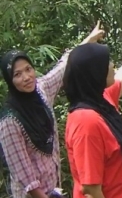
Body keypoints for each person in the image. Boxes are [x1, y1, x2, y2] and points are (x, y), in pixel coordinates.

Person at [0, 22, 105, 198]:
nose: (26, 77)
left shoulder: (40, 91)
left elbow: (64, 66)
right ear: (10, 81)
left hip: (52, 190)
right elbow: (28, 182)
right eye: (17, 75)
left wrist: (89, 40)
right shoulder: (9, 122)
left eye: (28, 69)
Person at [63, 29, 122, 198]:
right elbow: (91, 190)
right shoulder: (86, 122)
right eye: (106, 63)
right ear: (94, 73)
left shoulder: (101, 101)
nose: (112, 66)